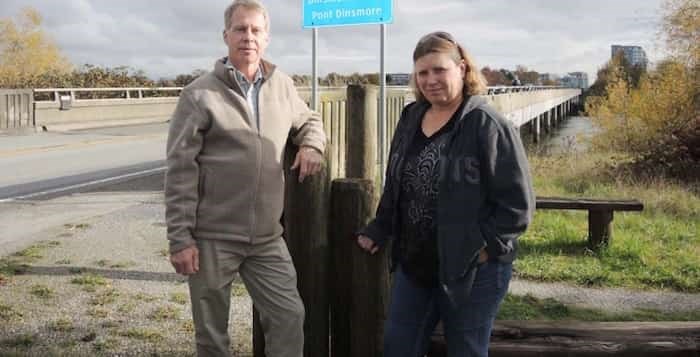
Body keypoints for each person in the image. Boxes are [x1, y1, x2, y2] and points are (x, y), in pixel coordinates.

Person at [357, 31, 534, 357]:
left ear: (462, 69)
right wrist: (380, 227)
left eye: (440, 70)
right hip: (415, 266)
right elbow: (397, 182)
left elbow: (518, 205)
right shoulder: (411, 117)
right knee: (398, 347)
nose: (431, 80)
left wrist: (484, 248)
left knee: (465, 350)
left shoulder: (486, 124)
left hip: (472, 270)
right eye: (423, 73)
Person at [165, 1, 326, 356]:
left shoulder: (281, 84)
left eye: (255, 30)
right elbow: (180, 169)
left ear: (266, 38)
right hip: (212, 238)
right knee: (212, 337)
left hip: (267, 238)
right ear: (226, 36)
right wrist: (180, 240)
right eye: (240, 29)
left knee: (289, 316)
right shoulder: (198, 94)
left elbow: (309, 120)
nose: (248, 37)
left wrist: (312, 146)